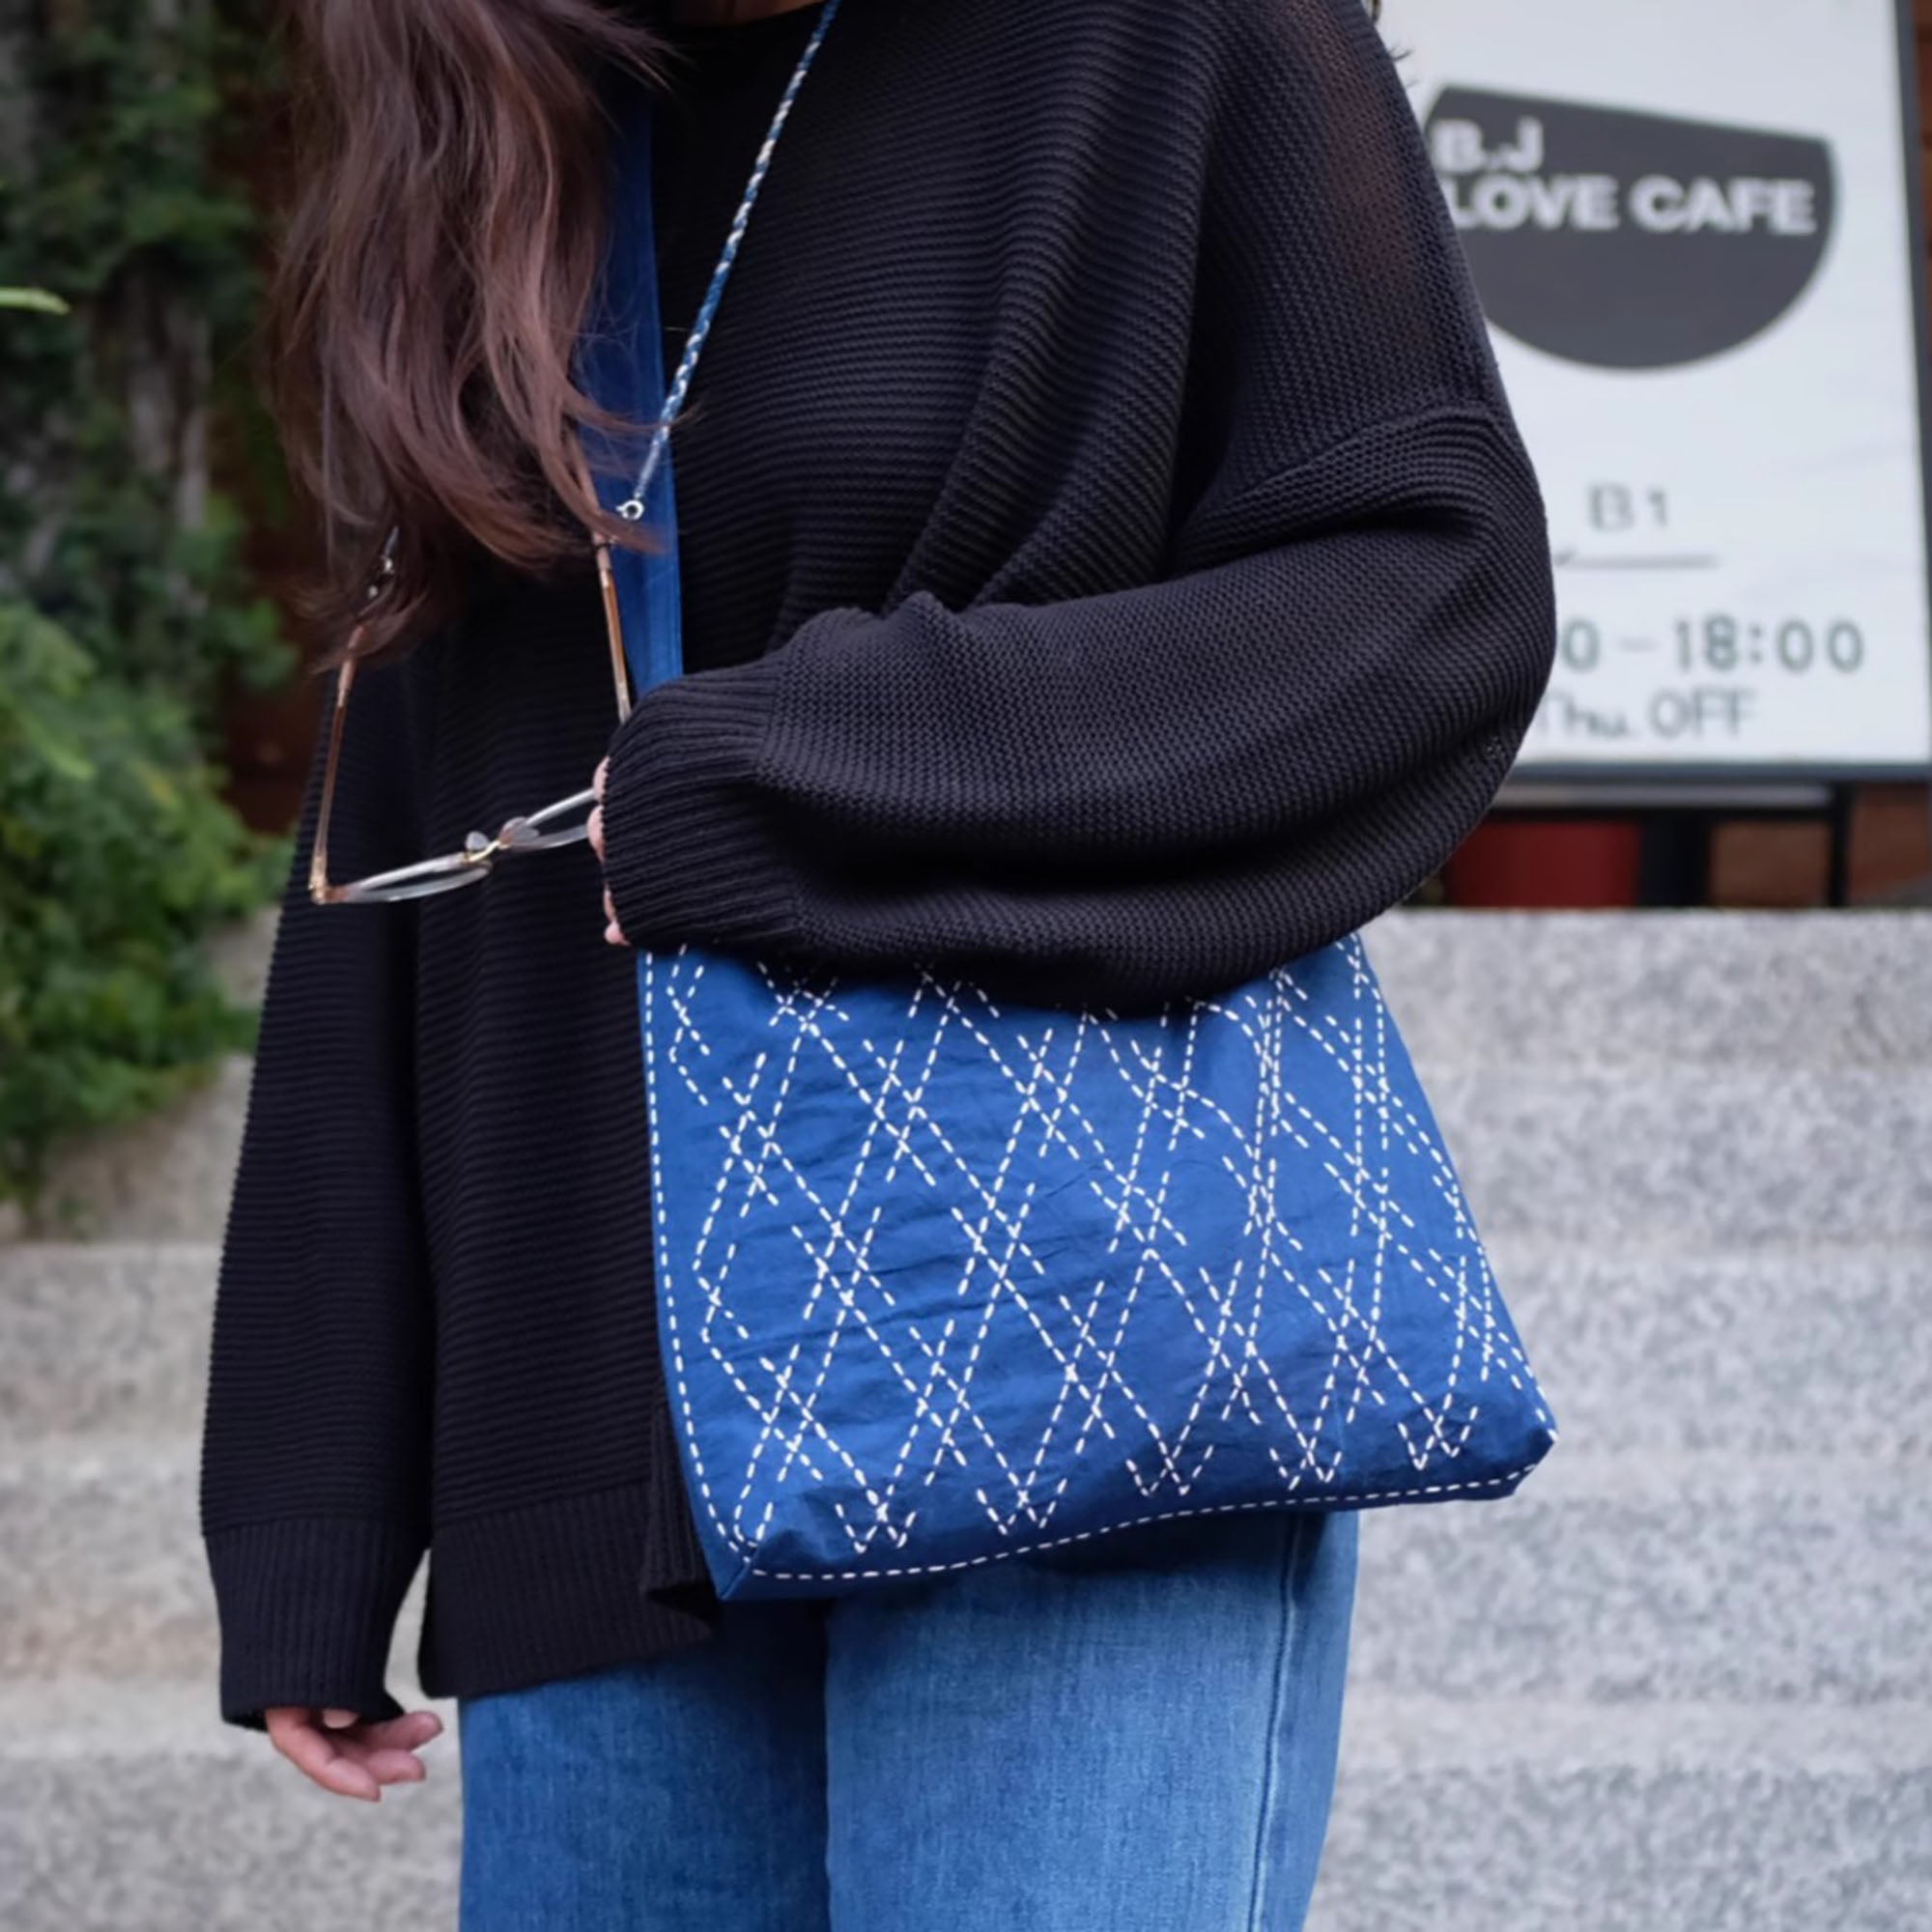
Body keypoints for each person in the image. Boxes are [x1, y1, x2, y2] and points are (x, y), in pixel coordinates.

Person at [197, 0, 1557, 1925]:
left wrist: (781, 767)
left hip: (1067, 1362)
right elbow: (414, 786)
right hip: (586, 1418)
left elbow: (1426, 589)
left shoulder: (1163, 41)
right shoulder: (498, 95)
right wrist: (312, 1488)